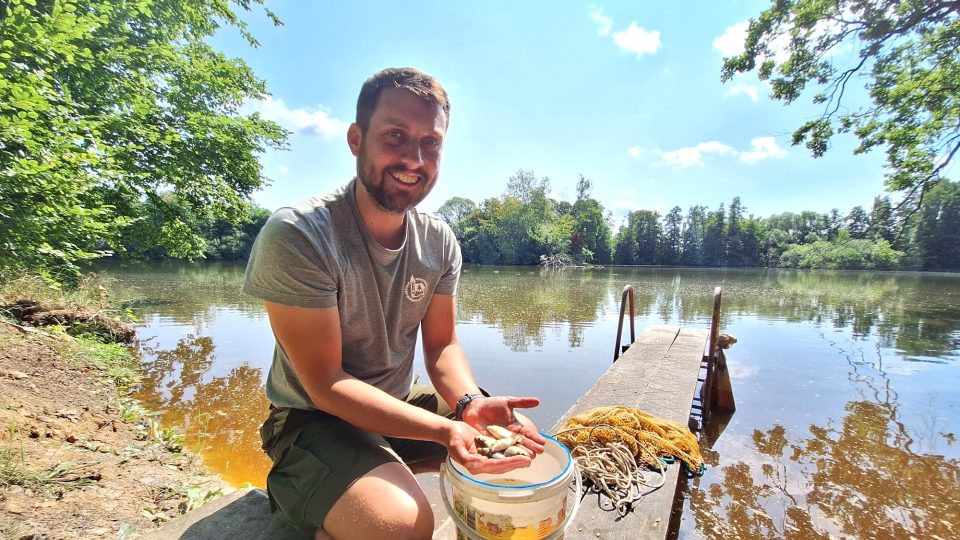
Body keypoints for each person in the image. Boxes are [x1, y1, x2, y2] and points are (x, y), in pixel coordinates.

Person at [243, 67, 547, 540]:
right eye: (395, 135)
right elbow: (324, 383)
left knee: (516, 441)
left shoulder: (438, 240)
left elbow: (442, 347)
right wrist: (445, 432)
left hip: (393, 402)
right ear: (356, 139)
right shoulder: (300, 234)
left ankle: (369, 481)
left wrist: (468, 404)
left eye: (431, 143)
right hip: (311, 418)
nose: (414, 157)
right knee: (403, 528)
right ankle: (304, 488)